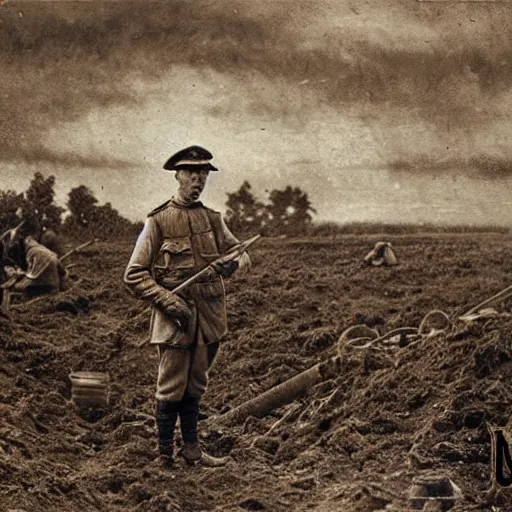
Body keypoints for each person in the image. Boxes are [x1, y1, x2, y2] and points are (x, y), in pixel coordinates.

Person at [124, 145, 251, 468]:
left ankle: (192, 450)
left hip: (209, 318)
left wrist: (232, 264)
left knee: (196, 385)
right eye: (192, 174)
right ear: (178, 176)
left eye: (204, 174)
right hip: (175, 319)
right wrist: (167, 300)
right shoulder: (159, 221)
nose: (198, 180)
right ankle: (165, 457)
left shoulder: (213, 219)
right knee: (170, 387)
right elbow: (134, 274)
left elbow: (241, 253)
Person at [2, 233, 67, 299]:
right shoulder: (41, 249)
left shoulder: (32, 254)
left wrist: (13, 284)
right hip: (54, 287)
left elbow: (29, 278)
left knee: (18, 289)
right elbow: (62, 271)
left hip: (47, 290)